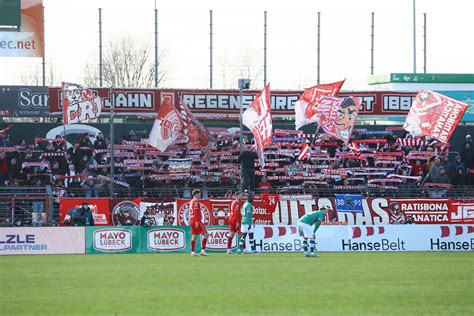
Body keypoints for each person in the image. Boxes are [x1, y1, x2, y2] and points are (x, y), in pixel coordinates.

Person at [189, 189, 209, 257]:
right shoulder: (196, 202)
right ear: (196, 194)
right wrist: (197, 221)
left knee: (194, 236)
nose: (200, 195)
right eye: (199, 194)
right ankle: (203, 251)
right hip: (196, 220)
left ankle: (192, 252)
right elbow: (196, 212)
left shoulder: (191, 201)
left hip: (191, 220)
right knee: (206, 234)